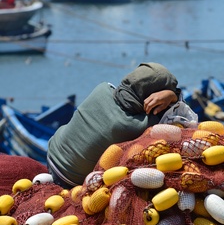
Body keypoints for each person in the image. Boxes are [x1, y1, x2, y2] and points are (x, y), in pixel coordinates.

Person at [47, 62, 181, 189]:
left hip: (52, 154)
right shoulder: (139, 125)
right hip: (71, 180)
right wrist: (173, 96)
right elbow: (181, 114)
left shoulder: (102, 88)